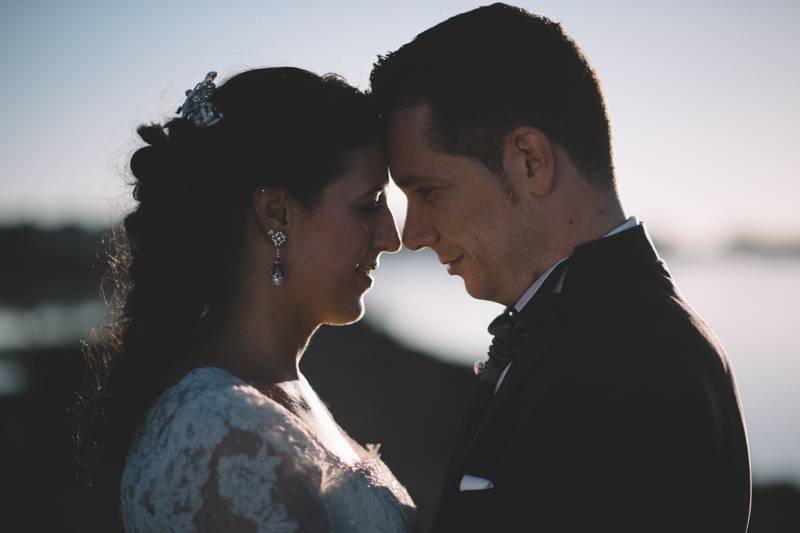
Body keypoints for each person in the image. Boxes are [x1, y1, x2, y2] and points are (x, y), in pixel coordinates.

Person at [370, 4, 751, 532]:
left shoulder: (635, 362)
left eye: (428, 191)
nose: (412, 235)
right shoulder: (591, 330)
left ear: (530, 161)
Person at [75, 67, 416, 532]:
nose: (392, 238)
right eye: (369, 205)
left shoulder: (275, 392)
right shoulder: (215, 438)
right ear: (277, 212)